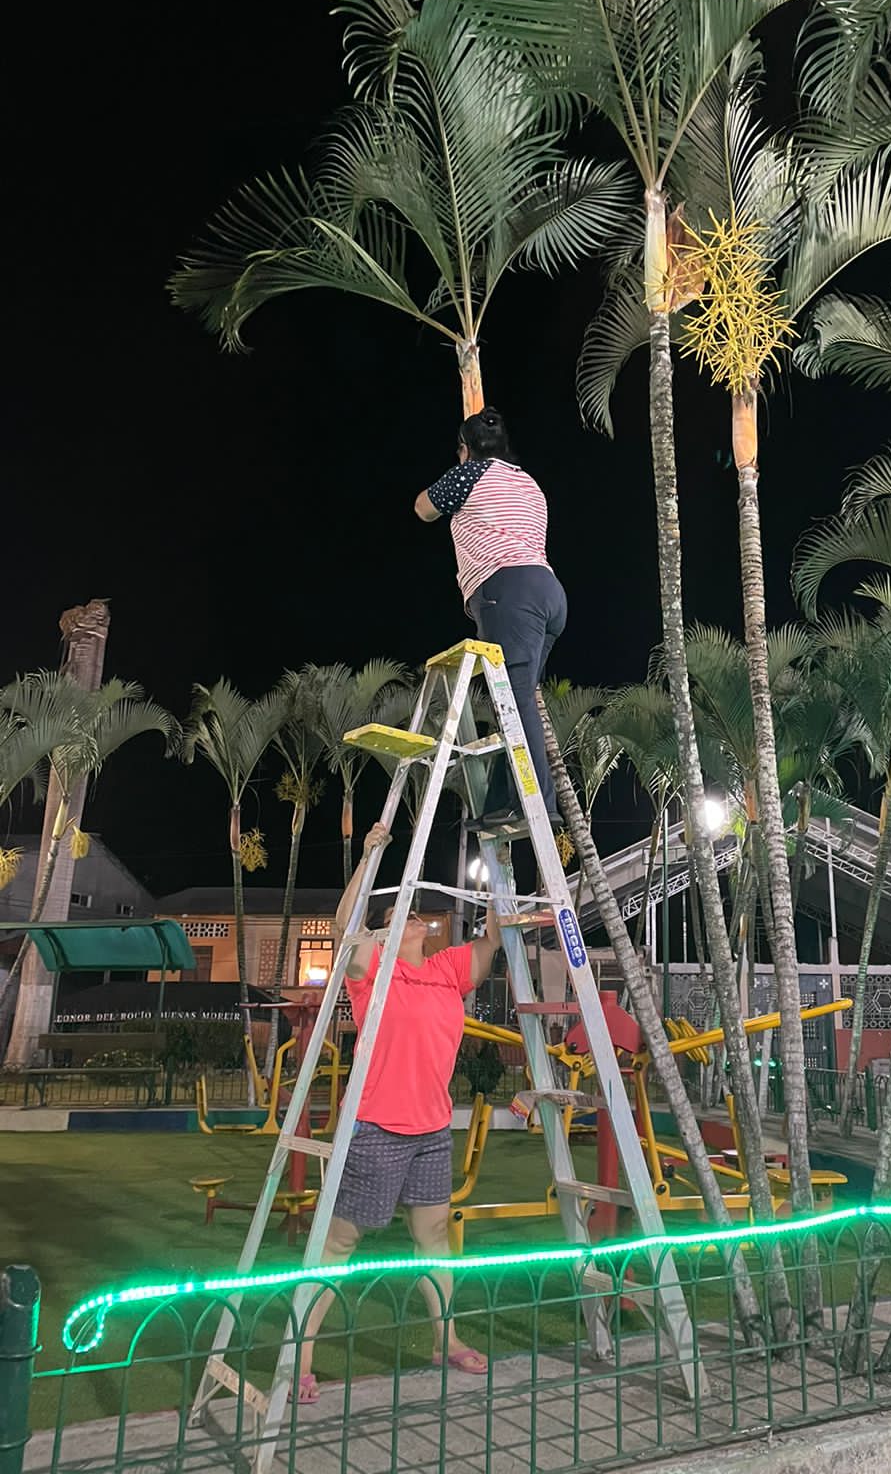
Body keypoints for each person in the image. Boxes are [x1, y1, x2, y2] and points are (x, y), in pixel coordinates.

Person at [295, 822, 503, 1399]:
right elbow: (345, 926)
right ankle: (300, 1358)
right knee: (340, 1243)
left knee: (434, 1239)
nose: (412, 915)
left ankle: (445, 1339)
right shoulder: (373, 968)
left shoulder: (445, 970)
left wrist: (500, 878)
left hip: (432, 1129)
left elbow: (492, 941)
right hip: (376, 1127)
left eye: (417, 913)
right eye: (399, 912)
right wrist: (369, 855)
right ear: (386, 929)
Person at [415, 407, 566, 831]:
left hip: (508, 592)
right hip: (548, 592)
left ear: (466, 449)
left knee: (516, 702)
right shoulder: (528, 482)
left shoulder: (470, 474)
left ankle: (539, 804)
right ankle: (502, 800)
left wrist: (459, 471)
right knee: (513, 702)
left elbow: (422, 508)